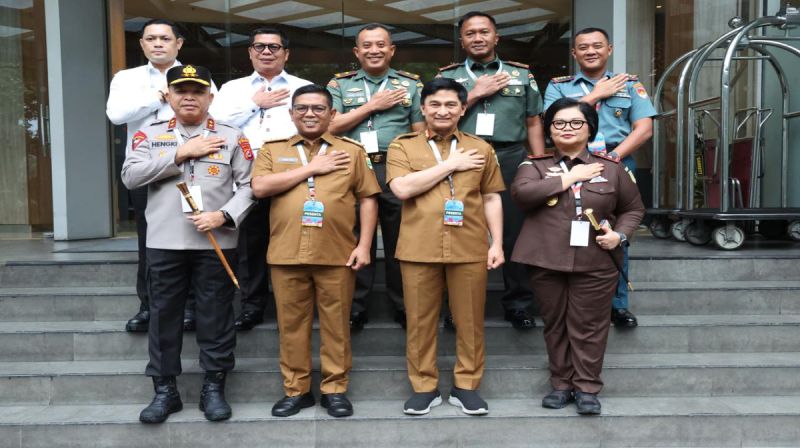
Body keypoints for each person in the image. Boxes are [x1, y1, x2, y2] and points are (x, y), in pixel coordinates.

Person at [121, 65, 254, 423]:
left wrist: (224, 216)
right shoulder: (148, 136)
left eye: (198, 91)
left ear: (210, 97)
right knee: (164, 316)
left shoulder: (232, 135)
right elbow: (131, 177)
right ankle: (165, 391)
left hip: (216, 241)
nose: (190, 97)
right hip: (165, 242)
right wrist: (179, 154)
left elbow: (250, 186)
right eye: (181, 91)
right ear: (169, 96)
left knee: (216, 316)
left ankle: (214, 386)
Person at [251, 84, 380, 418]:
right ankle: (297, 391)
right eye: (302, 108)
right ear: (291, 113)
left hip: (337, 253)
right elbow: (261, 187)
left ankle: (334, 389)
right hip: (285, 253)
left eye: (318, 108)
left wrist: (365, 245)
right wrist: (312, 169)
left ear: (332, 114)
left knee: (337, 324)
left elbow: (367, 198)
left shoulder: (351, 151)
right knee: (291, 326)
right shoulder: (272, 150)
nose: (310, 114)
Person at [510, 98, 644, 415]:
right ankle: (561, 384)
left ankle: (586, 387)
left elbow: (633, 209)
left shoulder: (612, 168)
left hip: (596, 261)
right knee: (555, 324)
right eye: (558, 123)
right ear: (549, 131)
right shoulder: (534, 166)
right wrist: (570, 177)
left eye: (575, 123)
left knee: (590, 326)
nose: (567, 129)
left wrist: (620, 235)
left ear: (589, 128)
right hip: (546, 260)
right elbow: (522, 195)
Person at [387, 78, 505, 416]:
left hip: (469, 245)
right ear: (423, 108)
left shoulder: (480, 148)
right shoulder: (402, 146)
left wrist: (496, 242)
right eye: (435, 104)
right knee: (420, 322)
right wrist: (451, 165)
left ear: (463, 109)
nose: (442, 111)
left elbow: (491, 196)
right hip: (418, 247)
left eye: (451, 104)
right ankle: (424, 387)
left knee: (470, 321)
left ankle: (466, 386)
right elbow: (403, 188)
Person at [437, 11, 544, 330]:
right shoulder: (448, 77)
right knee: (456, 229)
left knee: (514, 232)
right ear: (462, 40)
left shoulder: (521, 74)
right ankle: (456, 307)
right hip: (462, 155)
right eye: (470, 33)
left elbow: (533, 121)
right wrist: (475, 94)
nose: (477, 38)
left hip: (510, 156)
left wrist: (538, 163)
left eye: (484, 32)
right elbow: (437, 118)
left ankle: (519, 304)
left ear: (496, 37)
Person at [543, 27, 655, 328]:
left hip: (617, 160)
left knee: (617, 232)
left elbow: (644, 129)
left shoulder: (630, 85)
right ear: (574, 53)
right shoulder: (558, 86)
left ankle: (618, 304)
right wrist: (596, 95)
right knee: (567, 226)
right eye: (583, 47)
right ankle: (569, 298)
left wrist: (612, 159)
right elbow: (550, 123)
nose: (590, 51)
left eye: (597, 46)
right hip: (569, 163)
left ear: (609, 50)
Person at [107, 19, 213, 332]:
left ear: (178, 43)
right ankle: (149, 307)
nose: (157, 44)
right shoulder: (127, 78)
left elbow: (210, 117)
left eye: (164, 38)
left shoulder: (198, 77)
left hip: (192, 170)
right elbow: (116, 115)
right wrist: (159, 97)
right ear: (141, 44)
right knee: (150, 241)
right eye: (150, 38)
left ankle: (190, 307)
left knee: (194, 236)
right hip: (147, 172)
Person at [210, 27, 312, 331]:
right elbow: (215, 125)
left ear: (286, 53)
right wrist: (256, 104)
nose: (267, 52)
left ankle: (294, 305)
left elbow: (314, 124)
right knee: (250, 245)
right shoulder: (232, 89)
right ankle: (252, 306)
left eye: (274, 47)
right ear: (250, 52)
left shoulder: (303, 87)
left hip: (292, 176)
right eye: (260, 47)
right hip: (245, 177)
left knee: (294, 241)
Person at [326, 23, 425, 331]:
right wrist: (373, 106)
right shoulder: (339, 85)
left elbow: (420, 131)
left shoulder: (410, 85)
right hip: (353, 168)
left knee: (401, 242)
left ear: (391, 49)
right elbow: (331, 126)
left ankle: (403, 306)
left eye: (381, 44)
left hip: (396, 168)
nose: (374, 50)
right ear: (357, 51)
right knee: (354, 239)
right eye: (367, 45)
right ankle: (356, 307)